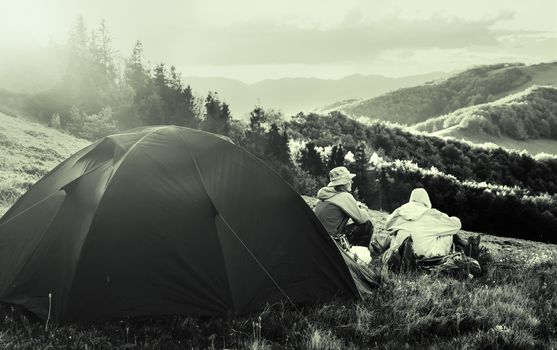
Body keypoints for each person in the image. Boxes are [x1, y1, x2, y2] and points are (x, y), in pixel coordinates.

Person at [382, 188, 481, 276]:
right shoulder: (432, 214)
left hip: (398, 255)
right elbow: (457, 224)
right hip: (425, 257)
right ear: (426, 200)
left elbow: (387, 226)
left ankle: (406, 257)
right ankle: (465, 248)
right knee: (449, 232)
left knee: (395, 233)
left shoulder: (400, 211)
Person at [313, 166, 374, 247]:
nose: (351, 181)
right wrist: (364, 209)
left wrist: (356, 206)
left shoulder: (326, 194)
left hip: (316, 236)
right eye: (349, 179)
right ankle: (359, 254)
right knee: (367, 225)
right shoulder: (345, 196)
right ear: (343, 183)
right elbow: (362, 219)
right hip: (329, 240)